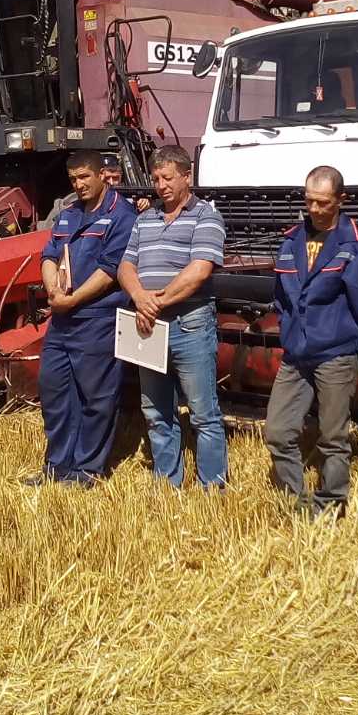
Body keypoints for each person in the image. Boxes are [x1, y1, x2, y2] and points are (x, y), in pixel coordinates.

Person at [264, 165, 358, 517]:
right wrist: (287, 327)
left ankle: (331, 504)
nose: (313, 209)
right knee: (277, 431)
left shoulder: (357, 246)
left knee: (333, 437)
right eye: (309, 201)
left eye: (322, 203)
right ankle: (295, 501)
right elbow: (281, 297)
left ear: (340, 200)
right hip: (297, 353)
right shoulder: (291, 241)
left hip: (336, 353)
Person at [117, 146, 228, 488]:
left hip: (188, 324)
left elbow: (199, 271)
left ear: (186, 176)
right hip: (149, 325)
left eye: (168, 177)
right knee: (155, 411)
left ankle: (213, 486)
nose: (160, 185)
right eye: (155, 178)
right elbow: (125, 266)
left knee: (203, 413)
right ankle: (167, 482)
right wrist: (139, 296)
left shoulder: (206, 217)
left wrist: (156, 302)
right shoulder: (145, 219)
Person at [29, 151, 138, 487]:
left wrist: (71, 299)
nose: (79, 185)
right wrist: (53, 291)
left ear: (102, 176)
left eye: (84, 177)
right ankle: (58, 466)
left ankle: (87, 470)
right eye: (73, 179)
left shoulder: (122, 215)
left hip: (97, 318)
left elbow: (110, 269)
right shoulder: (68, 215)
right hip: (63, 319)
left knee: (96, 397)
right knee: (54, 391)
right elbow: (49, 255)